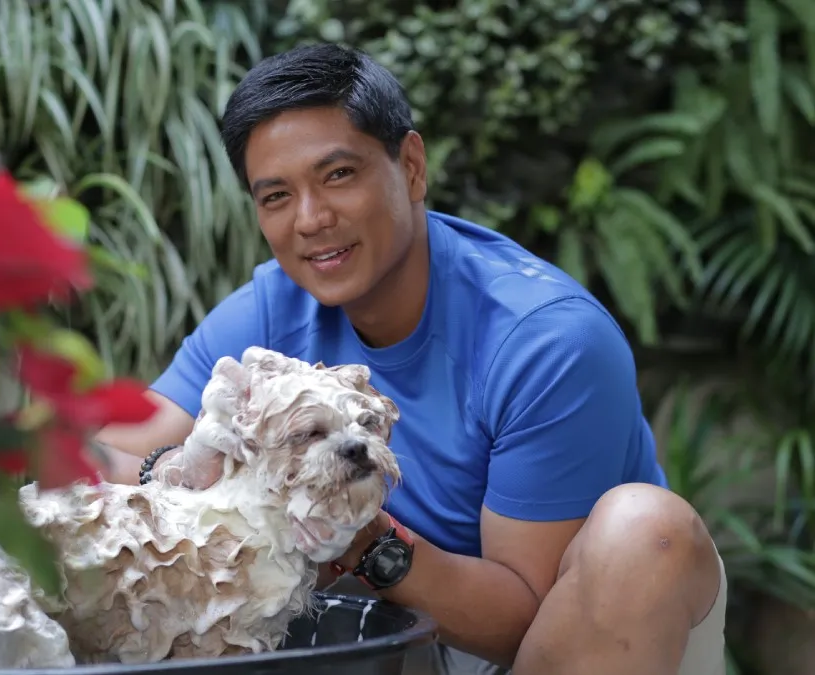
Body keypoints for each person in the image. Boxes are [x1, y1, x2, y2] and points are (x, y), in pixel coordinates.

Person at [96, 43, 727, 675]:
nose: (311, 220)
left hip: (581, 639)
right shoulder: (271, 311)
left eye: (338, 175)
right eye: (277, 196)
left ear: (412, 166)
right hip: (387, 640)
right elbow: (101, 456)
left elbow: (527, 625)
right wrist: (176, 469)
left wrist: (362, 539)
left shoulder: (544, 341)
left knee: (646, 530)